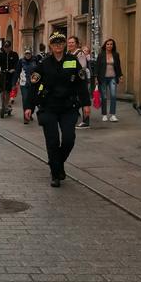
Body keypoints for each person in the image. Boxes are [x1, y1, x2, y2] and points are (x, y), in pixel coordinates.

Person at [25, 30, 90, 187]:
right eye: (55, 43)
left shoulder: (73, 61)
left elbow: (81, 83)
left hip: (68, 107)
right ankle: (55, 173)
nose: (58, 46)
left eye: (61, 43)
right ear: (51, 46)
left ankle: (57, 163)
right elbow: (33, 86)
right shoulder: (44, 64)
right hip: (49, 107)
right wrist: (28, 107)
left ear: (64, 45)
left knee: (68, 139)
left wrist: (86, 104)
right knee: (52, 141)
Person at [96, 38, 123, 123]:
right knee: (104, 96)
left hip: (113, 77)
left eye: (111, 44)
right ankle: (104, 115)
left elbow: (118, 66)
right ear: (105, 45)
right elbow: (97, 67)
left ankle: (113, 115)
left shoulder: (116, 54)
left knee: (113, 96)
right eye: (108, 44)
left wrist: (120, 75)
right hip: (103, 77)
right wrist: (96, 78)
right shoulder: (101, 55)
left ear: (113, 45)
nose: (109, 46)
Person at [67, 36, 91, 128]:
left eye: (72, 42)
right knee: (74, 99)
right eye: (69, 42)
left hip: (80, 80)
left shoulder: (80, 53)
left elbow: (82, 67)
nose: (70, 44)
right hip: (71, 81)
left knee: (83, 100)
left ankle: (86, 121)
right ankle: (74, 116)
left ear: (76, 43)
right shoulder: (68, 53)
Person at [0, 41, 19, 117]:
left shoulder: (14, 54)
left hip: (10, 75)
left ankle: (6, 105)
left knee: (8, 91)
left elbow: (17, 64)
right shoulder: (1, 55)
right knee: (2, 91)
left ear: (10, 47)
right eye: (5, 47)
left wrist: (14, 69)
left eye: (8, 47)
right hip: (3, 75)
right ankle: (3, 105)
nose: (6, 49)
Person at [16, 48, 37, 123]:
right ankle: (26, 117)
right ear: (24, 54)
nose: (28, 55)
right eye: (26, 54)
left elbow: (38, 71)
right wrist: (15, 81)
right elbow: (17, 71)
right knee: (25, 99)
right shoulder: (21, 61)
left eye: (29, 54)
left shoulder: (35, 60)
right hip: (24, 83)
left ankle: (30, 112)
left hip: (33, 84)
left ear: (31, 54)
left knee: (33, 101)